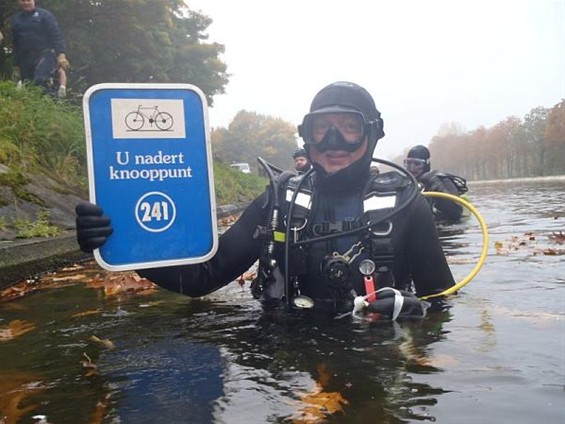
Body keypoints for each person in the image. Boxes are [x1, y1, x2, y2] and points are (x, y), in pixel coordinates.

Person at [76, 81, 455, 319]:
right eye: (321, 129)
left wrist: (413, 311)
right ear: (306, 136)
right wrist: (122, 240)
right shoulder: (278, 201)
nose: (333, 143)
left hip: (376, 354)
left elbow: (443, 303)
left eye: (349, 128)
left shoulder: (406, 204)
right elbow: (200, 279)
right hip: (285, 362)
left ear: (372, 135)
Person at [11, 0, 70, 96]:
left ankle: (51, 102)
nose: (26, 3)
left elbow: (56, 35)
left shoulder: (45, 15)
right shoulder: (16, 20)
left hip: (44, 54)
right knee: (28, 86)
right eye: (23, 0)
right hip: (25, 58)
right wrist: (16, 65)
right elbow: (15, 43)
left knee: (40, 80)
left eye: (28, 0)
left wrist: (61, 55)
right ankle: (35, 109)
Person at [404, 145, 465, 222]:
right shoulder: (407, 185)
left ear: (426, 164)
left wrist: (435, 185)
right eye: (409, 163)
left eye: (417, 164)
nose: (412, 168)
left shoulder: (442, 181)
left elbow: (456, 213)